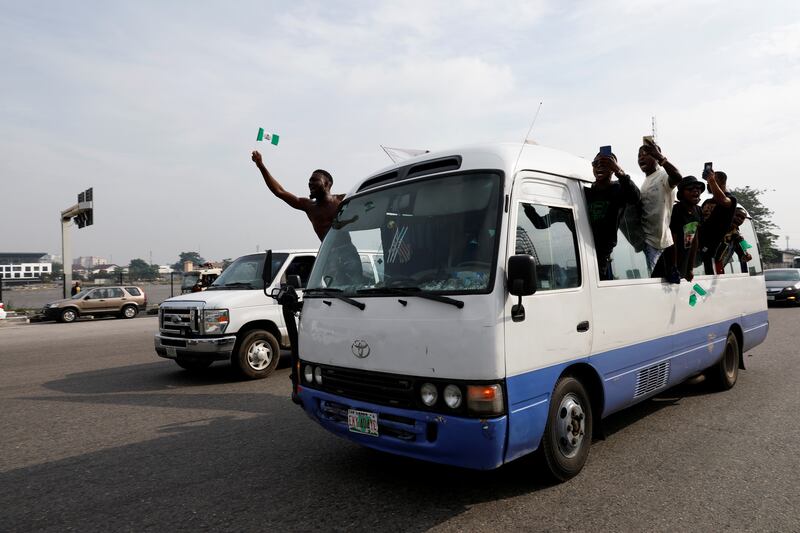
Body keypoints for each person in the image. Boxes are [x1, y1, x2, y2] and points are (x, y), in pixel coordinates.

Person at [251, 151, 344, 241]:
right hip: (329, 255)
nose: (310, 183)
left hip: (349, 253)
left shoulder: (343, 201)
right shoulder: (309, 206)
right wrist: (261, 166)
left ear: (328, 184)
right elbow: (279, 191)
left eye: (315, 180)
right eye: (310, 181)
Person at [584, 151, 640, 280]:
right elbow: (542, 223)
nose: (599, 166)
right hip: (583, 251)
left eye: (606, 164)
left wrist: (619, 172)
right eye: (596, 163)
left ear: (613, 168)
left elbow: (635, 198)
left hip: (603, 256)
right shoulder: (586, 192)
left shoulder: (619, 188)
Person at [637, 142, 682, 274]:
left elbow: (678, 177)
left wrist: (660, 157)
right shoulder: (645, 182)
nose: (641, 158)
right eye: (639, 156)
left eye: (646, 154)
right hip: (648, 240)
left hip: (660, 243)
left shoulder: (663, 176)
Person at [665, 176, 705, 283]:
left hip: (684, 263)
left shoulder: (698, 211)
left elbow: (694, 240)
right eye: (690, 189)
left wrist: (690, 268)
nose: (695, 190)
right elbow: (672, 241)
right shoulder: (676, 210)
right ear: (681, 193)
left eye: (698, 188)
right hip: (671, 264)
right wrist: (674, 267)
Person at [698, 169, 737, 275]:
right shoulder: (707, 202)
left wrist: (711, 180)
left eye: (712, 181)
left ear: (721, 182)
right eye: (708, 182)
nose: (708, 185)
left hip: (714, 250)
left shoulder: (731, 200)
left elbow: (723, 201)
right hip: (700, 248)